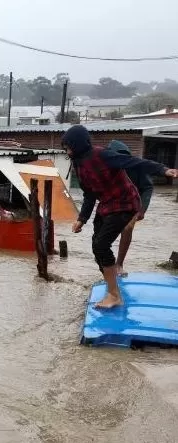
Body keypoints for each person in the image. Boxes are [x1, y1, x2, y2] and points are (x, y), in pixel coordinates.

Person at [63, 125, 178, 309]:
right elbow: (90, 195)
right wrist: (81, 220)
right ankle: (112, 286)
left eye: (68, 146)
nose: (66, 150)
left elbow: (135, 163)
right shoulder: (78, 164)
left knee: (101, 245)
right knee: (96, 245)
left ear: (77, 145)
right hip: (107, 205)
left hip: (125, 202)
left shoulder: (103, 155)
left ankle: (114, 295)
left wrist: (162, 169)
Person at [103, 140, 154, 275]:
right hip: (112, 203)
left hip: (132, 203)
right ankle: (105, 263)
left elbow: (148, 187)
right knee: (102, 235)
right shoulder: (106, 166)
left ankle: (119, 265)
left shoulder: (135, 166)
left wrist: (142, 210)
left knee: (127, 228)